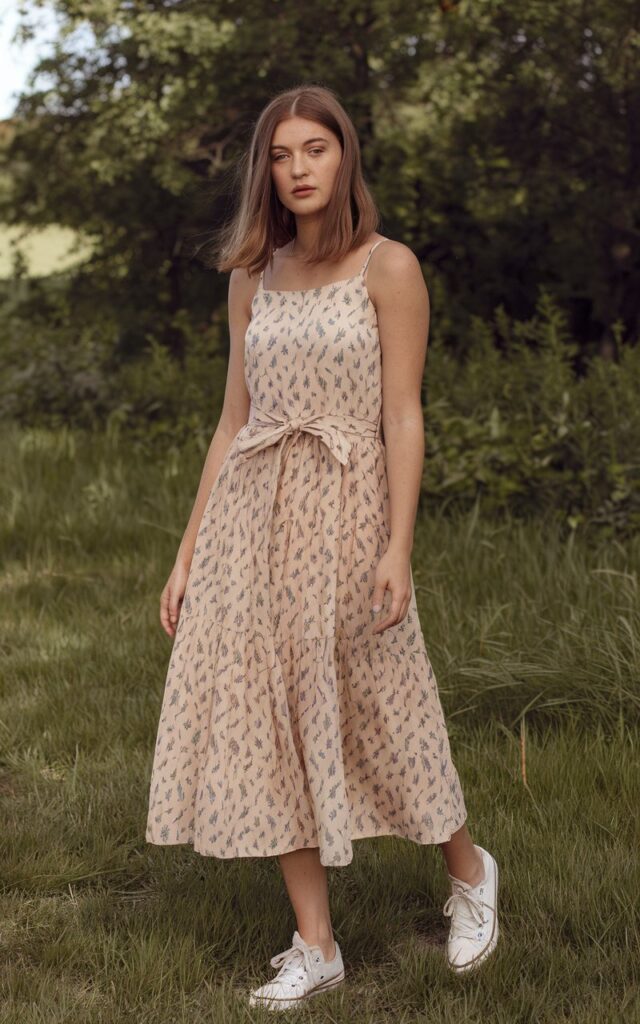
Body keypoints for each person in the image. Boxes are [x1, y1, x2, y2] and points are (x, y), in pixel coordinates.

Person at [145, 83, 499, 1011]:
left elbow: (404, 414)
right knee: (266, 718)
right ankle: (317, 942)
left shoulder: (389, 267)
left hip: (348, 511)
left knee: (384, 701)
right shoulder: (251, 276)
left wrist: (400, 545)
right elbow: (232, 423)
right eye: (279, 155)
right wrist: (188, 555)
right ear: (265, 170)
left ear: (344, 159)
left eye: (315, 150)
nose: (297, 169)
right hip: (251, 520)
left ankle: (469, 874)